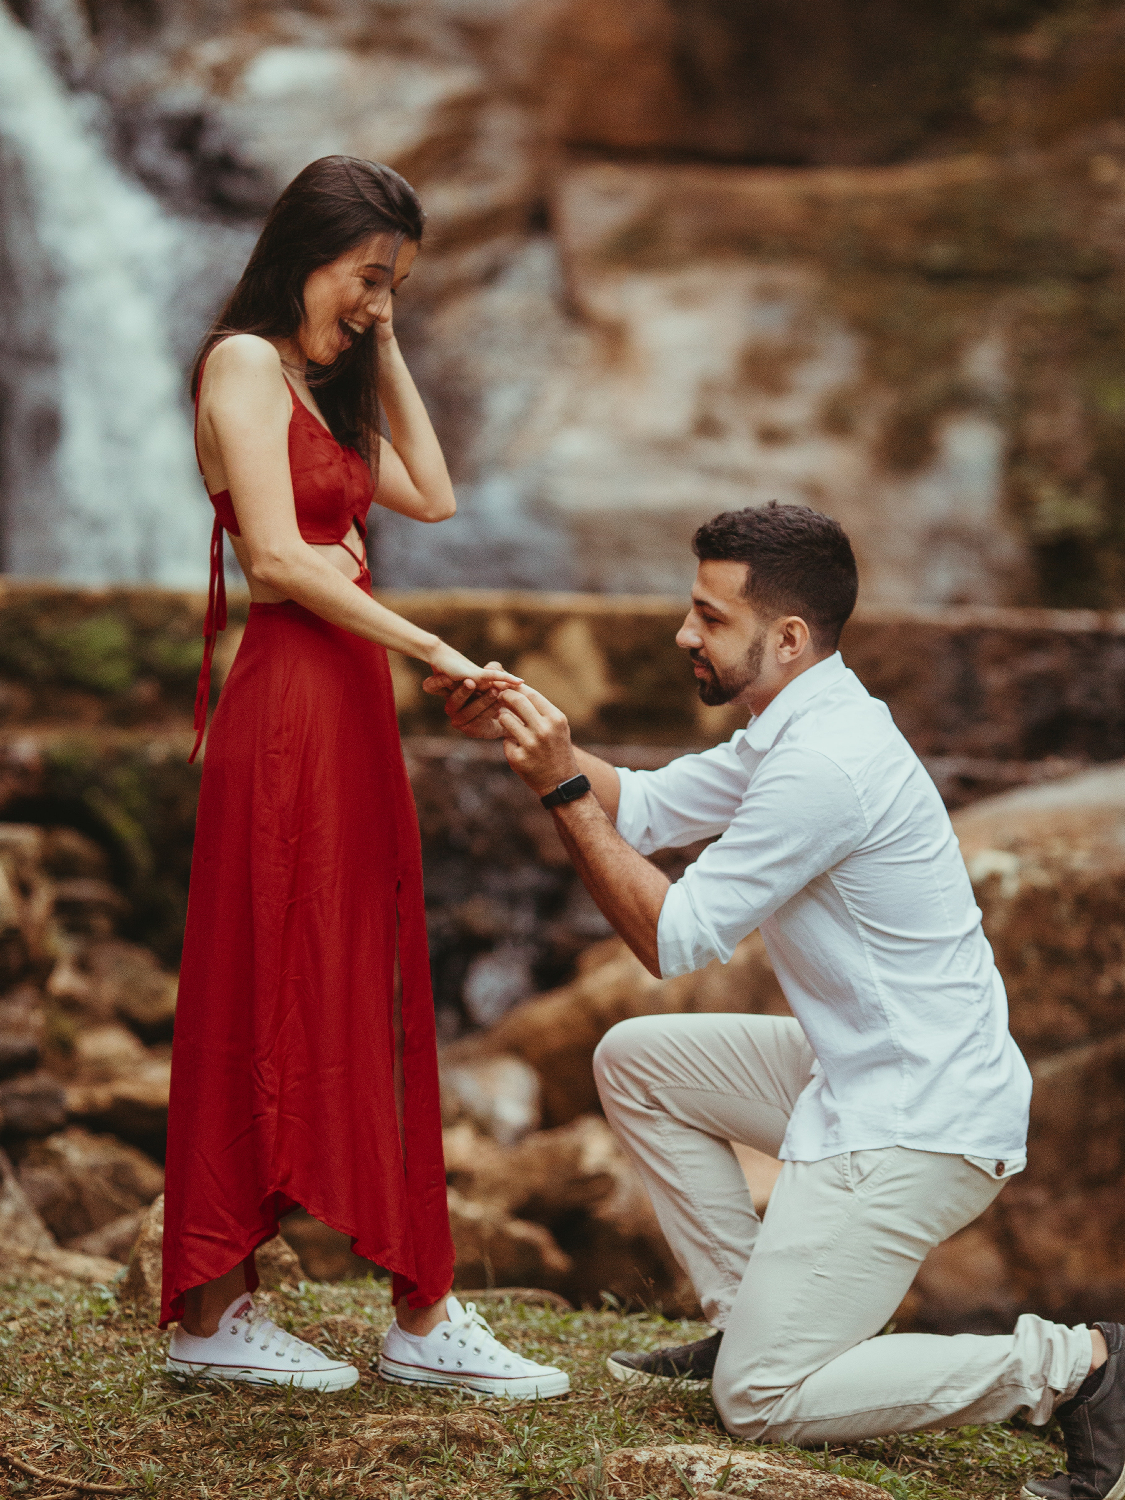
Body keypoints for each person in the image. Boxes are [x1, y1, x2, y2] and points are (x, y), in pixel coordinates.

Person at [426, 500, 1124, 1499]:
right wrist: (533, 733)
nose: (683, 633)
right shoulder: (798, 716)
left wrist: (558, 793)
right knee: (638, 1062)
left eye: (709, 617)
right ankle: (745, 1316)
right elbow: (653, 804)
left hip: (920, 1121)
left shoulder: (823, 763)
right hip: (867, 1073)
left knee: (761, 1402)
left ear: (787, 637)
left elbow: (672, 938)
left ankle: (1080, 1369)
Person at [161, 155, 569, 1401]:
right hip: (288, 700)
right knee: (263, 970)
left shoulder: (323, 387)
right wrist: (440, 648)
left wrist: (384, 345)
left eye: (394, 285)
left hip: (349, 709)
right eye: (366, 278)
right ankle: (219, 1308)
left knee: (359, 976)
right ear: (306, 251)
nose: (376, 301)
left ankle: (415, 1308)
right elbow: (281, 561)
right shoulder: (239, 361)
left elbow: (434, 499)